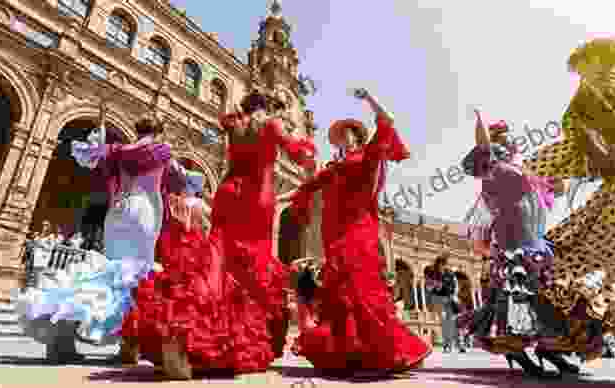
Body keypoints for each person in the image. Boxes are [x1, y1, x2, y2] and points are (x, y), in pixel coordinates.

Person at [123, 91, 317, 379]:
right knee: (251, 271)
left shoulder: (235, 124)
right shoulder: (272, 125)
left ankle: (181, 329)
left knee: (215, 261)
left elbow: (225, 120)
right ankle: (229, 340)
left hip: (228, 193)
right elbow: (299, 155)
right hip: (257, 198)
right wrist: (307, 149)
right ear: (266, 108)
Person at [523, 37, 615, 359]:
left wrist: (528, 170)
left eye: (582, 67)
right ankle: (579, 335)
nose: (581, 75)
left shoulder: (596, 93)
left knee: (597, 260)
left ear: (596, 61)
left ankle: (575, 335)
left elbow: (577, 148)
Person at [15, 115, 188, 364]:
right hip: (144, 211)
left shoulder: (117, 150)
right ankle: (128, 346)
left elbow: (89, 157)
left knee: (106, 272)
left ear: (136, 129)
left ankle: (62, 337)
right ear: (160, 132)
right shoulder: (161, 150)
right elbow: (180, 179)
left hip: (117, 212)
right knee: (135, 275)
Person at [288, 88, 431, 376]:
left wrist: (369, 99)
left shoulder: (368, 156)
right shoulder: (335, 167)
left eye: (344, 134)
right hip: (335, 234)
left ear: (356, 136)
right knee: (341, 291)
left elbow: (387, 119)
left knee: (360, 288)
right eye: (337, 137)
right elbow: (307, 187)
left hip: (358, 230)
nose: (339, 140)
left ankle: (381, 355)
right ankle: (355, 355)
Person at [458, 109, 580, 376]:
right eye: (503, 140)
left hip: (533, 238)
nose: (511, 142)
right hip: (513, 239)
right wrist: (480, 120)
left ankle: (549, 348)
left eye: (510, 138)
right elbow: (482, 144)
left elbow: (551, 189)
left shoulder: (519, 170)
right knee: (519, 294)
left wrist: (563, 181)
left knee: (543, 294)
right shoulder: (492, 167)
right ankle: (517, 349)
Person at [426, 253, 465, 353]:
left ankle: (459, 344)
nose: (442, 266)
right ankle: (447, 345)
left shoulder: (450, 274)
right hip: (439, 299)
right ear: (437, 264)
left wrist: (454, 295)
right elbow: (428, 287)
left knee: (453, 322)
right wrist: (434, 286)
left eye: (444, 264)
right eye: (440, 264)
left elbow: (456, 286)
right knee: (444, 323)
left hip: (450, 299)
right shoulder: (433, 274)